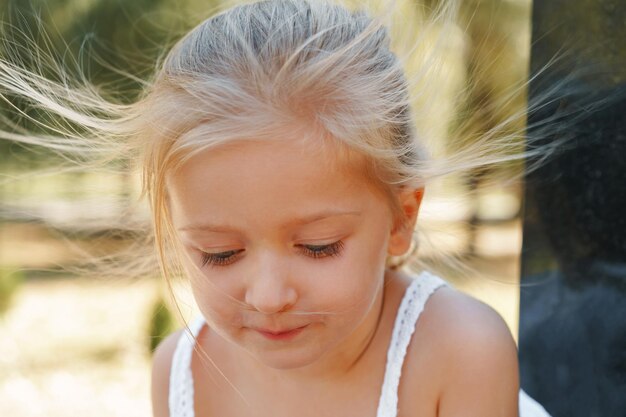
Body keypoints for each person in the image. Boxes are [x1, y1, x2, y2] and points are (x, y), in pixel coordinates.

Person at [0, 0, 552, 416]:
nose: (268, 297)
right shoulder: (183, 374)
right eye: (219, 254)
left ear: (402, 219)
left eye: (318, 247)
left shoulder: (458, 351)